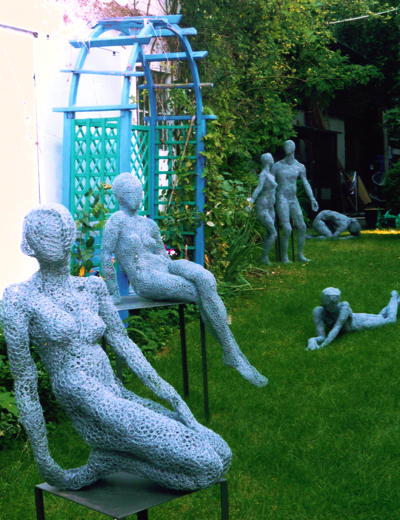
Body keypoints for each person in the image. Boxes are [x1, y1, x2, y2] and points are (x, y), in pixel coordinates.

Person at [1, 203, 232, 491]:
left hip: (114, 390)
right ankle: (111, 461)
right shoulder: (19, 297)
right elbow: (25, 381)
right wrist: (45, 459)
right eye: (44, 237)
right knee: (207, 468)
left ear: (70, 237)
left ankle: (109, 459)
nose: (54, 243)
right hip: (83, 394)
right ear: (29, 245)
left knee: (222, 453)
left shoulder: (92, 288)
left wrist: (173, 397)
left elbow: (125, 345)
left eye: (60, 234)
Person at [101, 173, 268, 388]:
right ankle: (232, 352)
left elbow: (162, 253)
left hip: (166, 266)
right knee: (197, 292)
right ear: (119, 196)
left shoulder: (149, 224)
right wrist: (114, 292)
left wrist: (173, 266)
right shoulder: (116, 222)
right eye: (130, 192)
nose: (137, 196)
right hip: (146, 277)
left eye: (139, 192)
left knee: (206, 279)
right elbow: (106, 256)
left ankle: (231, 353)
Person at [307, 287, 399, 350]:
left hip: (361, 323)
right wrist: (311, 340)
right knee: (380, 316)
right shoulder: (318, 311)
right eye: (328, 303)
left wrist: (322, 347)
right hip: (358, 318)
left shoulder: (344, 308)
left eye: (334, 303)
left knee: (390, 321)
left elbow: (337, 328)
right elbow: (321, 336)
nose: (331, 305)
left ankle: (394, 298)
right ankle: (396, 300)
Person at [272, 140, 319, 263]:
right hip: (281, 197)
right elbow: (270, 183)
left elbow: (305, 183)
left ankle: (300, 255)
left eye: (289, 145)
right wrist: (268, 199)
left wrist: (312, 198)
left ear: (294, 148)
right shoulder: (277, 166)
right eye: (285, 145)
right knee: (287, 228)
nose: (286, 147)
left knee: (302, 227)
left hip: (293, 198)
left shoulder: (300, 166)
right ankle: (284, 257)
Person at [247, 153, 277, 264]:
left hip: (270, 206)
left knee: (270, 233)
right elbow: (258, 189)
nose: (273, 159)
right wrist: (251, 203)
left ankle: (265, 258)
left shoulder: (271, 175)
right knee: (273, 233)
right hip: (262, 206)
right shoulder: (263, 174)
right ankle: (264, 258)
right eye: (271, 157)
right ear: (268, 160)